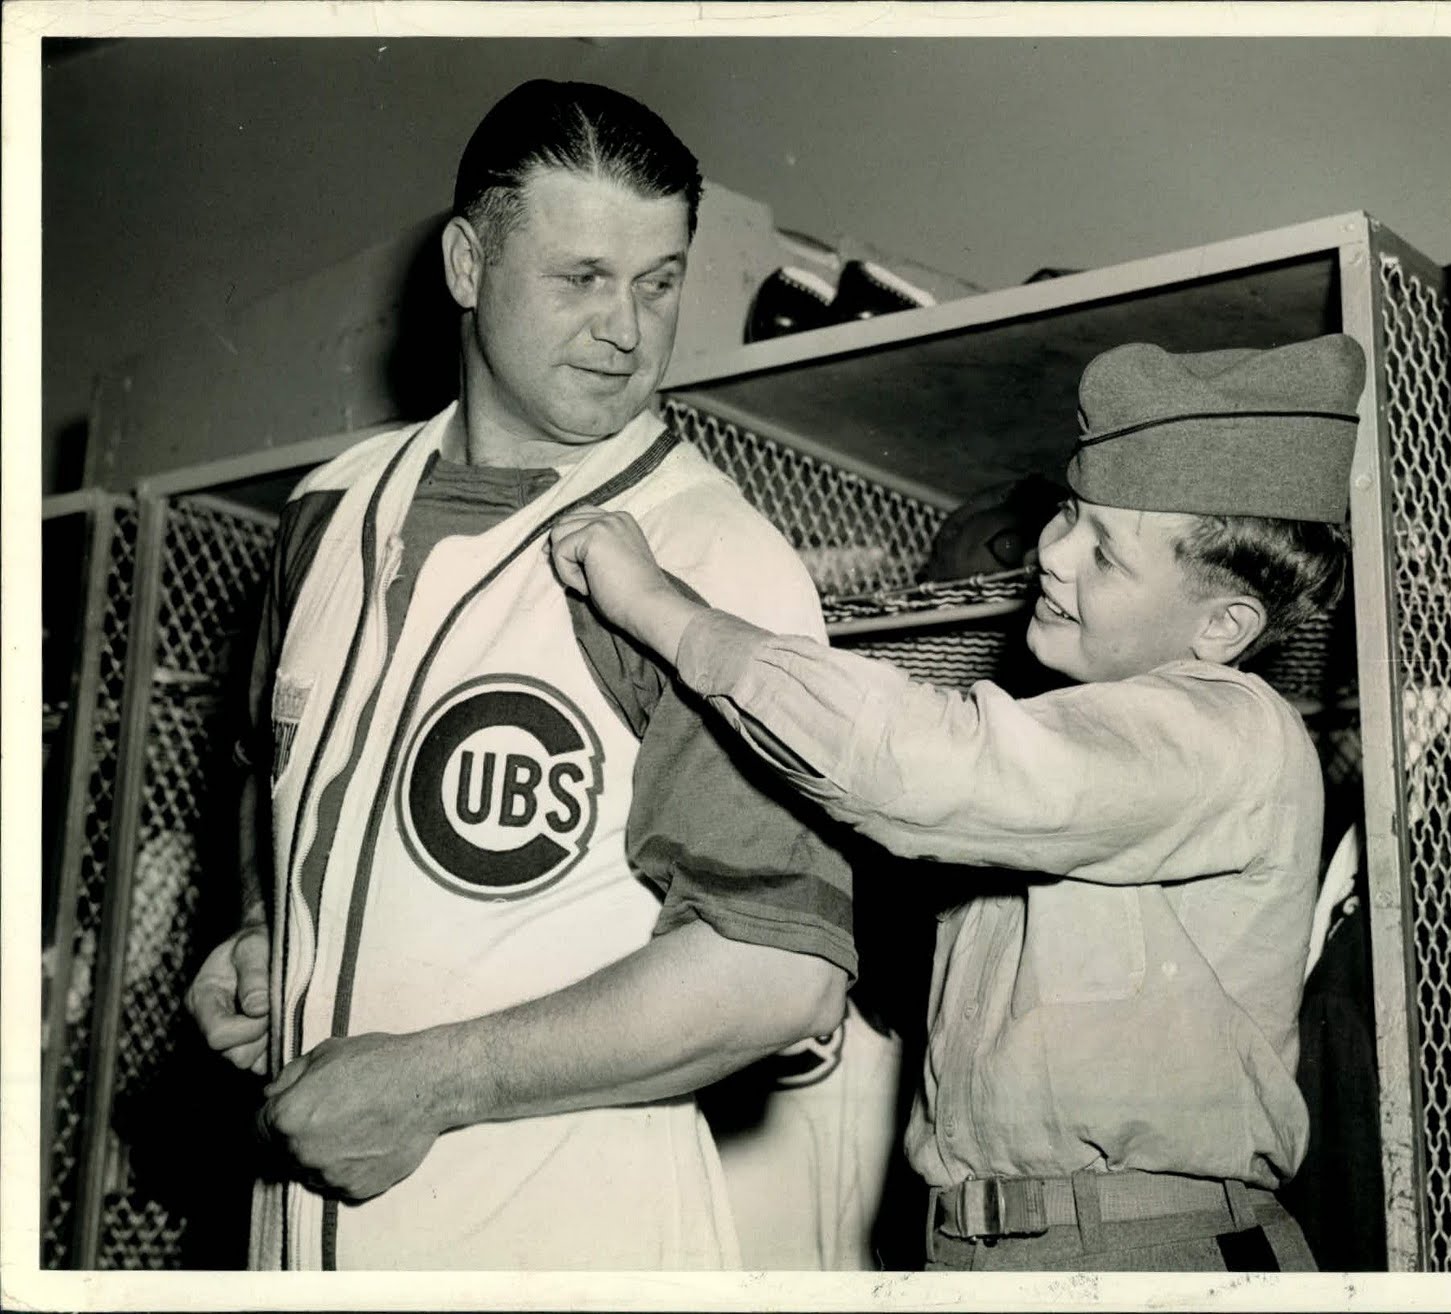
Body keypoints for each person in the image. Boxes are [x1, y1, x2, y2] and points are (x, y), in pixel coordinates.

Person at [183, 79, 874, 1271]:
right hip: (299, 1228)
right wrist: (262, 930)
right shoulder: (327, 512)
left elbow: (778, 973)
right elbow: (272, 766)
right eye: (581, 277)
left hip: (559, 1234)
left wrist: (433, 1083)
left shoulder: (709, 557)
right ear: (466, 263)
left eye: (659, 282)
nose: (627, 329)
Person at [549, 333, 1367, 1272]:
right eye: (1069, 515)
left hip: (1136, 1253)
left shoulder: (1228, 733)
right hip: (997, 1246)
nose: (1053, 556)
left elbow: (931, 767)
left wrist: (664, 609)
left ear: (1222, 627)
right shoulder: (1085, 738)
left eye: (1105, 555)